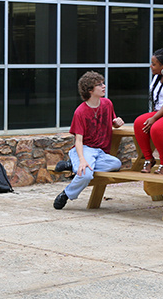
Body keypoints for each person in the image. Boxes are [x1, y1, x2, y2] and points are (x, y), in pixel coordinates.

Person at [53, 71, 125, 210]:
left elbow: (112, 122)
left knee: (116, 164)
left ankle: (71, 165)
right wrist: (82, 159)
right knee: (85, 175)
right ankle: (66, 194)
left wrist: (117, 122)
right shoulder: (80, 112)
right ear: (90, 90)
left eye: (103, 83)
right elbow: (78, 140)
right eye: (99, 85)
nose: (103, 86)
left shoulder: (107, 104)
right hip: (86, 148)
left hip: (101, 152)